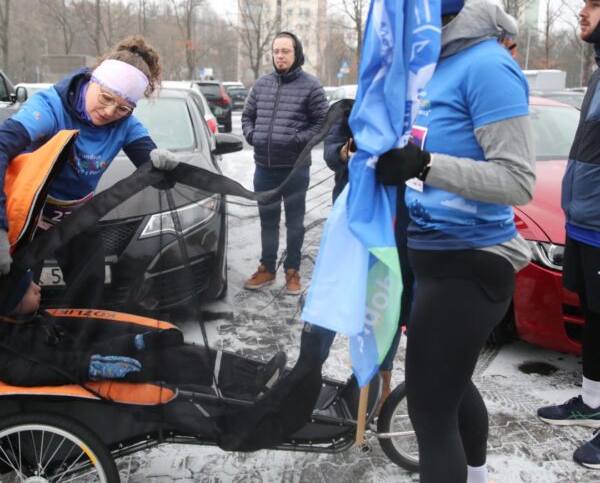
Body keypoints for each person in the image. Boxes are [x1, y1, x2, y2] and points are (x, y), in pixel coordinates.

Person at [376, 0, 535, 483]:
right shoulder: (433, 65)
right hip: (432, 258)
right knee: (453, 386)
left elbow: (517, 180)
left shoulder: (487, 66)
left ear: (441, 13)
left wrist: (426, 166)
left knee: (429, 411)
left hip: (471, 263)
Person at [0, 36, 178, 307]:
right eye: (105, 98)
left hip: (77, 220)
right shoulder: (50, 107)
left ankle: (77, 333)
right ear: (92, 78)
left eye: (123, 108)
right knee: (17, 301)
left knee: (89, 296)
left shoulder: (126, 124)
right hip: (28, 219)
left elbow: (152, 166)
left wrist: (163, 163)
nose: (109, 111)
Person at [0, 275, 286, 397]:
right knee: (171, 362)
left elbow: (85, 343)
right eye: (28, 288)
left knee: (174, 347)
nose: (38, 287)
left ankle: (254, 373)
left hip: (95, 359)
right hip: (88, 377)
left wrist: (136, 341)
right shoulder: (9, 343)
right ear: (10, 301)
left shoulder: (34, 318)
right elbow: (26, 372)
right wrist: (92, 366)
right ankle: (248, 385)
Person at [536, 0, 600, 469]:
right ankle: (593, 402)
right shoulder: (597, 75)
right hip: (584, 222)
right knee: (595, 317)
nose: (583, 11)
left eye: (595, 4)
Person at [322, 99, 415, 410]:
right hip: (355, 220)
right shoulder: (350, 109)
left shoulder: (410, 109)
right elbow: (331, 151)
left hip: (397, 223)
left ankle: (381, 383)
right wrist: (345, 152)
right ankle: (356, 377)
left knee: (389, 300)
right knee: (354, 298)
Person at [242, 31, 328, 295]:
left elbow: (322, 124)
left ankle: (293, 271)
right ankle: (267, 268)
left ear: (296, 53)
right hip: (264, 168)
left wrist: (295, 140)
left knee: (294, 224)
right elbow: (247, 117)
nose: (280, 56)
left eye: (285, 51)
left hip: (295, 170)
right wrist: (253, 136)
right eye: (276, 51)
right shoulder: (261, 84)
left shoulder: (311, 86)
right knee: (268, 222)